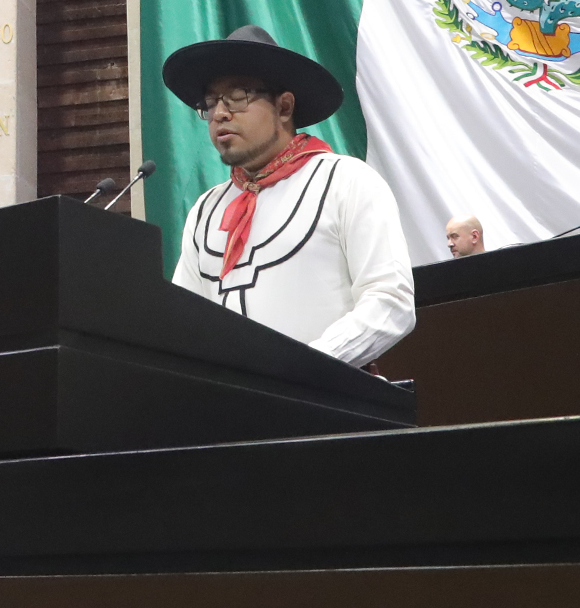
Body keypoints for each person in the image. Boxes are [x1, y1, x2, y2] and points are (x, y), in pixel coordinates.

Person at [162, 25, 415, 367]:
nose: (220, 113)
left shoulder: (346, 181)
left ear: (284, 106)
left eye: (237, 96)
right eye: (210, 102)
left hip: (326, 396)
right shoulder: (205, 211)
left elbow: (390, 301)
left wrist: (307, 368)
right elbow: (183, 323)